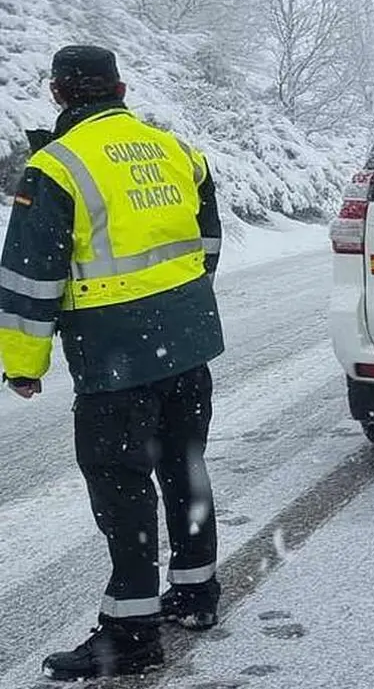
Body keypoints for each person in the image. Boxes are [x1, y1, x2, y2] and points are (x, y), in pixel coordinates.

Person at [0, 45, 226, 681]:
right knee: (185, 466)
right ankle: (195, 592)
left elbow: (29, 277)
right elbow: (206, 241)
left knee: (121, 487)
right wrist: (181, 304)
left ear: (58, 94)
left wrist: (23, 363)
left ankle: (130, 633)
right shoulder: (175, 149)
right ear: (121, 87)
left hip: (113, 357)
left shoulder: (58, 166)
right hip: (185, 344)